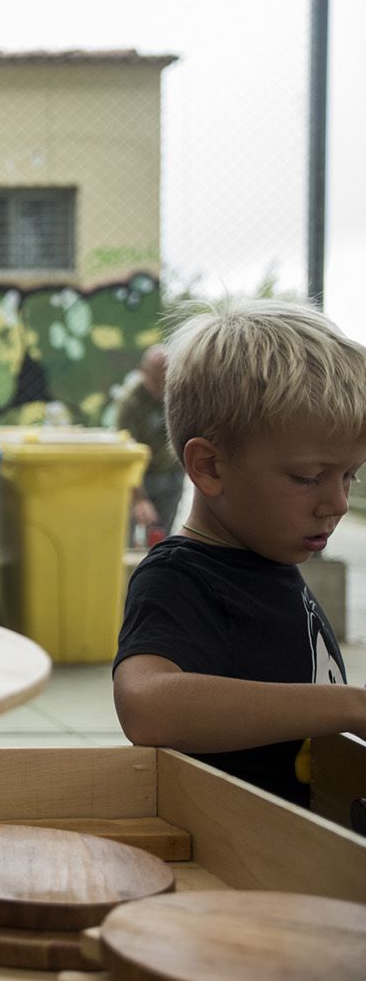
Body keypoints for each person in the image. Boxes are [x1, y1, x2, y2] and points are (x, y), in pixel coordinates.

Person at [112, 298, 366, 806]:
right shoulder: (182, 575)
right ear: (209, 467)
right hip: (237, 861)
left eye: (350, 476)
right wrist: (352, 706)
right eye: (308, 477)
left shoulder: (270, 560)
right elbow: (145, 704)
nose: (336, 503)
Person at [114, 344, 182, 543]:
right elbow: (125, 452)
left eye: (166, 380)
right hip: (140, 476)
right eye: (156, 380)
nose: (162, 388)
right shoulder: (129, 401)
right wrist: (139, 499)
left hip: (171, 474)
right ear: (143, 372)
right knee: (126, 537)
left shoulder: (179, 391)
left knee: (162, 537)